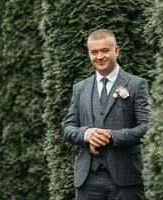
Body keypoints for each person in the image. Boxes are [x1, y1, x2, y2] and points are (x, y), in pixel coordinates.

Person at [62, 29, 149, 200]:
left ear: (116, 50)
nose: (99, 56)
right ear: (89, 54)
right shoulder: (80, 88)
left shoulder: (136, 84)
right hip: (87, 179)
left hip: (126, 178)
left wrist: (112, 136)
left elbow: (146, 126)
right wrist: (86, 134)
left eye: (105, 50)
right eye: (94, 52)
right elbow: (67, 127)